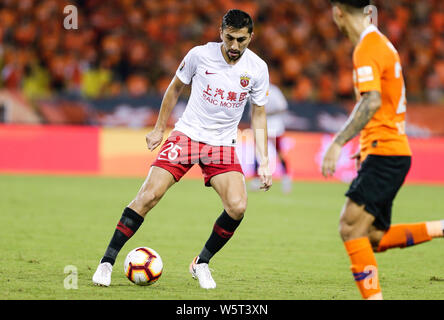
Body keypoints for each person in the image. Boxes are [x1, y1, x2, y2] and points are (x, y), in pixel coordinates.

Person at [92, 9, 272, 289]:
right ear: (220, 32)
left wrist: (264, 160)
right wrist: (158, 128)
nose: (235, 46)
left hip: (222, 143)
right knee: (148, 196)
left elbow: (259, 114)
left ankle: (201, 263)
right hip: (188, 135)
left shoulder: (258, 68)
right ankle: (106, 262)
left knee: (237, 206)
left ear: (251, 37)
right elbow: (175, 88)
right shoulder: (200, 55)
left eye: (241, 40)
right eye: (229, 38)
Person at [322, 0, 443, 300]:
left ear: (338, 13)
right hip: (387, 149)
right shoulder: (380, 44)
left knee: (349, 228)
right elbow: (384, 103)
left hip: (386, 150)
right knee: (372, 237)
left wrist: (338, 142)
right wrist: (364, 145)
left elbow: (372, 101)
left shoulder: (367, 48)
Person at [249, 83, 292, 193]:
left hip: (274, 125)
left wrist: (266, 112)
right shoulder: (254, 89)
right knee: (258, 152)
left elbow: (283, 107)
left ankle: (286, 177)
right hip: (259, 126)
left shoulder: (274, 90)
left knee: (279, 152)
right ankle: (255, 179)